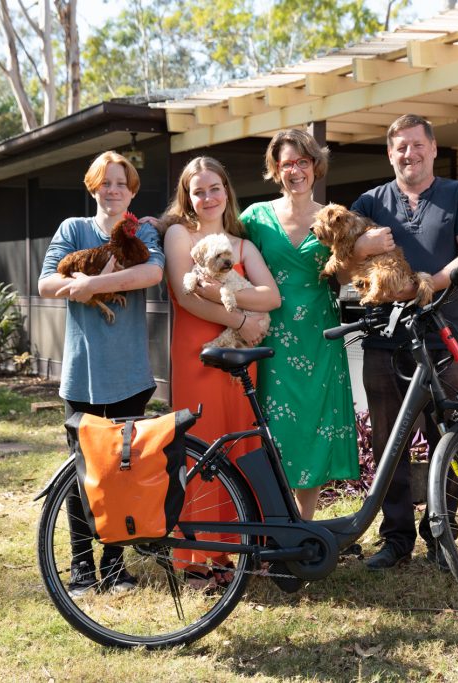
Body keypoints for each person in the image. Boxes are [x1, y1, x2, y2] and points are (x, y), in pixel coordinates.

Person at [348, 114, 458, 571]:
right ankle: (395, 540)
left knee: (450, 440)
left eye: (416, 144)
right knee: (390, 443)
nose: (409, 153)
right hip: (384, 340)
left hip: (445, 337)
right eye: (399, 148)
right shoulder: (370, 201)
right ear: (390, 155)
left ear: (432, 147)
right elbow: (339, 256)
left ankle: (441, 533)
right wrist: (363, 245)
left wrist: (425, 285)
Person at [38, 150, 165, 594]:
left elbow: (152, 272)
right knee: (83, 472)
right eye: (105, 183)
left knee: (123, 473)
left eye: (121, 183)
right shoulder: (72, 230)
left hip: (130, 373)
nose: (113, 190)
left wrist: (93, 286)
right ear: (93, 187)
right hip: (83, 374)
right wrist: (83, 285)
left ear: (132, 191)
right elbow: (46, 283)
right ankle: (81, 567)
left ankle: (114, 566)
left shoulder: (143, 230)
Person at [163, 156, 280, 588]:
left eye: (215, 188)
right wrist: (240, 321)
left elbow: (272, 298)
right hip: (199, 354)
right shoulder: (180, 234)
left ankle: (240, 549)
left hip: (240, 364)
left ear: (227, 191)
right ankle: (197, 556)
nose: (208, 197)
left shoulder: (242, 245)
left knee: (241, 445)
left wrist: (238, 304)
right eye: (199, 191)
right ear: (187, 197)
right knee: (201, 448)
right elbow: (186, 295)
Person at [235, 129, 359, 520]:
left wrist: (357, 250)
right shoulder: (255, 218)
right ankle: (274, 519)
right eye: (286, 163)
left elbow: (345, 278)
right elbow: (219, 243)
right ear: (275, 169)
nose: (295, 170)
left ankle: (304, 526)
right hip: (268, 336)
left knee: (313, 428)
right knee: (274, 430)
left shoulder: (334, 217)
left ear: (315, 166)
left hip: (319, 336)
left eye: (302, 162)